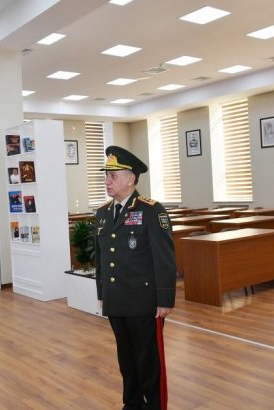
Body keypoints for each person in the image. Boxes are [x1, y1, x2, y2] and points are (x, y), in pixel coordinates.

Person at [95, 146, 176, 410]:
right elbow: (101, 259)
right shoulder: (104, 213)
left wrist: (165, 300)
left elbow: (164, 259)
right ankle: (131, 404)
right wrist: (101, 293)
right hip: (116, 302)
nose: (107, 181)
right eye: (106, 175)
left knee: (148, 362)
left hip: (144, 304)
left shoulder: (152, 211)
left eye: (113, 175)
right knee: (126, 361)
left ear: (131, 178)